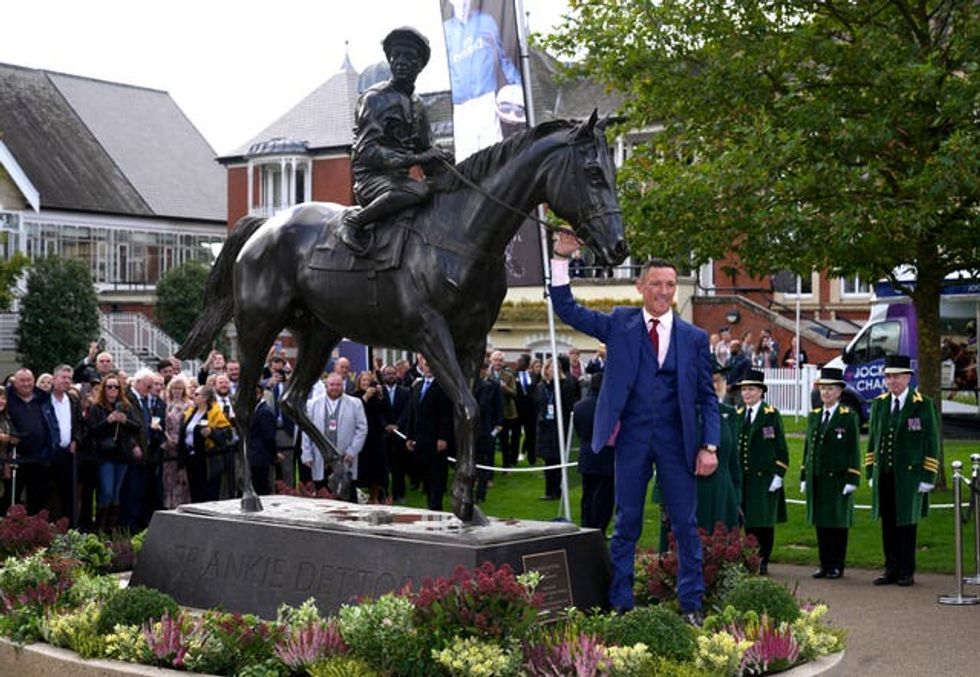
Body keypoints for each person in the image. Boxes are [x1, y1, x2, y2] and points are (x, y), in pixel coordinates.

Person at [550, 231, 720, 624]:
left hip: (678, 442)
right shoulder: (619, 323)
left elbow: (707, 399)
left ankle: (691, 605)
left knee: (685, 525)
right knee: (626, 521)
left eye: (670, 285)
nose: (664, 292)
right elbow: (568, 308)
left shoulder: (693, 338)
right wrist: (561, 258)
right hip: (631, 440)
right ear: (641, 286)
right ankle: (621, 603)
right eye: (656, 284)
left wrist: (709, 446)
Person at [342, 27, 452, 249]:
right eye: (396, 55)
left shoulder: (418, 105)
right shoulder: (374, 99)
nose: (401, 61)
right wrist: (417, 158)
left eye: (409, 57)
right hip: (372, 182)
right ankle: (354, 223)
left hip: (400, 182)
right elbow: (366, 152)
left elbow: (426, 149)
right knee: (418, 190)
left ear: (419, 66)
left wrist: (445, 162)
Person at [866, 355, 939, 587]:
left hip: (909, 475)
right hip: (885, 474)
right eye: (888, 377)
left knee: (906, 524)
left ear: (908, 377)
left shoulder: (922, 403)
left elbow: (931, 441)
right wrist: (870, 471)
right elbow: (872, 441)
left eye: (896, 376)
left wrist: (928, 475)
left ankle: (907, 570)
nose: (892, 381)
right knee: (888, 523)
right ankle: (891, 569)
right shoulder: (879, 403)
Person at [442, 0, 524, 161]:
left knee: (493, 161)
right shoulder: (446, 31)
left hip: (486, 102)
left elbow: (503, 58)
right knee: (466, 163)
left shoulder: (486, 22)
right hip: (461, 107)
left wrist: (518, 85)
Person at [801, 367, 860, 580]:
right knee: (821, 522)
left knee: (837, 522)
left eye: (830, 389)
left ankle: (837, 565)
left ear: (839, 392)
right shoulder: (815, 416)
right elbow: (809, 447)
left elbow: (853, 448)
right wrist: (804, 475)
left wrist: (852, 477)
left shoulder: (848, 416)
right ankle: (824, 563)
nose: (825, 393)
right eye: (823, 389)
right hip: (817, 476)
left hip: (838, 478)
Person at [735, 369, 788, 575]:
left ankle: (763, 559)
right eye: (744, 390)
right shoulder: (738, 415)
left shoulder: (770, 415)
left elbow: (780, 447)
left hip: (764, 477)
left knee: (764, 521)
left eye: (751, 389)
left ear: (761, 392)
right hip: (745, 478)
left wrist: (778, 473)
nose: (747, 394)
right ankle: (750, 559)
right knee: (748, 521)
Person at [86, 374, 141, 530]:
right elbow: (91, 430)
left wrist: (125, 421)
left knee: (116, 492)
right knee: (107, 490)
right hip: (105, 454)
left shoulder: (126, 406)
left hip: (122, 454)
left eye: (116, 387)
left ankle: (111, 528)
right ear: (104, 389)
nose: (112, 390)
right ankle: (100, 527)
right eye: (109, 386)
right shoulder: (97, 408)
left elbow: (137, 427)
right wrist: (107, 421)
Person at [302, 373, 368, 498]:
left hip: (345, 456)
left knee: (347, 494)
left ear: (342, 386)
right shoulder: (313, 404)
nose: (335, 388)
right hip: (321, 456)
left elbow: (362, 429)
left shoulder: (355, 403)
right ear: (326, 385)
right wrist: (306, 453)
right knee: (322, 495)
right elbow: (307, 430)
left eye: (338, 385)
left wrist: (352, 451)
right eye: (332, 385)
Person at [404, 356, 454, 511]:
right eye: (426, 365)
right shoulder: (417, 387)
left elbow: (447, 415)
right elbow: (412, 413)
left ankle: (436, 505)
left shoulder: (443, 387)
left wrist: (443, 437)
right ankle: (430, 503)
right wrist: (410, 436)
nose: (429, 368)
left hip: (436, 439)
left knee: (437, 474)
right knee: (425, 474)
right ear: (421, 366)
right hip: (420, 439)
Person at [5, 368, 58, 515]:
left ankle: (35, 531)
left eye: (29, 380)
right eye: (22, 380)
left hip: (39, 457)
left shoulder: (43, 398)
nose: (26, 384)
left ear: (34, 381)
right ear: (15, 382)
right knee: (12, 498)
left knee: (38, 498)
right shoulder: (7, 398)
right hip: (15, 458)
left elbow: (52, 424)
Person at [574, 372, 614, 535]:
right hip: (606, 455)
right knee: (604, 496)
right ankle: (599, 528)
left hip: (587, 454)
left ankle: (586, 525)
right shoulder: (611, 406)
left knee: (588, 494)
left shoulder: (579, 406)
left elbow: (578, 430)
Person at [178, 385, 232, 503]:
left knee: (208, 491)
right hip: (191, 456)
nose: (193, 396)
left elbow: (227, 434)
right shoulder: (190, 412)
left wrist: (211, 432)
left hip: (207, 459)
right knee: (194, 489)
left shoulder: (215, 412)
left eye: (197, 394)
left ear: (205, 398)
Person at [48, 365, 84, 526]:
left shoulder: (73, 400)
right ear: (54, 378)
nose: (67, 381)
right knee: (48, 494)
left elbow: (79, 424)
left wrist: (76, 439)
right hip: (48, 453)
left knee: (69, 493)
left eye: (70, 378)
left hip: (68, 453)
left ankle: (69, 529)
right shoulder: (44, 399)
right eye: (63, 377)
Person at [534, 358, 573, 500]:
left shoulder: (565, 385)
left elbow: (569, 406)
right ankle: (549, 491)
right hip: (546, 427)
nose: (554, 370)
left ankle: (558, 490)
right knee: (548, 460)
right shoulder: (541, 386)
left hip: (560, 426)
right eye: (551, 368)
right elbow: (537, 405)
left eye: (557, 368)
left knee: (558, 459)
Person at [353, 371, 389, 502]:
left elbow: (386, 411)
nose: (366, 383)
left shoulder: (376, 397)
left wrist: (381, 396)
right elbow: (355, 412)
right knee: (363, 468)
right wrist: (365, 398)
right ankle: (361, 494)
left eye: (368, 381)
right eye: (363, 380)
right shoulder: (355, 397)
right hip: (362, 438)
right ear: (359, 382)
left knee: (377, 468)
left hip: (376, 437)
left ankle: (377, 495)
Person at [379, 365, 412, 502]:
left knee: (399, 466)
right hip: (383, 433)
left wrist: (397, 425)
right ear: (383, 376)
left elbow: (407, 410)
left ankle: (399, 494)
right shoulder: (378, 392)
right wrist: (385, 425)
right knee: (383, 465)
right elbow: (377, 411)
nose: (390, 376)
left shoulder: (405, 392)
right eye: (387, 374)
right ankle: (383, 493)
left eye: (392, 373)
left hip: (399, 433)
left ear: (397, 375)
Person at [473, 361, 503, 503]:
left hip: (487, 426)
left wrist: (498, 424)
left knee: (485, 458)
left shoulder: (493, 385)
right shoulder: (471, 384)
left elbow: (498, 405)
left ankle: (481, 491)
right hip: (473, 428)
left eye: (484, 369)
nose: (482, 372)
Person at [162, 376, 191, 508]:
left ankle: (183, 503)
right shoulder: (166, 404)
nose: (177, 391)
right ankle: (169, 503)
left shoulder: (189, 405)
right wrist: (167, 438)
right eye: (174, 388)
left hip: (183, 444)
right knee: (168, 477)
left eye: (179, 388)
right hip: (168, 444)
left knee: (182, 477)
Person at [489, 350, 520, 467]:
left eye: (500, 360)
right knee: (489, 440)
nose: (497, 362)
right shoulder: (486, 374)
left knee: (505, 440)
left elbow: (514, 393)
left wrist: (505, 387)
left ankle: (506, 465)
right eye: (495, 360)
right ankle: (489, 467)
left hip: (506, 412)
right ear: (491, 361)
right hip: (490, 412)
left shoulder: (509, 375)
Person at [247, 385, 279, 496]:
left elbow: (269, 436)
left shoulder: (264, 412)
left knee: (263, 487)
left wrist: (274, 455)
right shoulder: (256, 410)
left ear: (260, 394)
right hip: (256, 456)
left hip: (261, 456)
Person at [513, 353, 537, 464]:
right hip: (517, 409)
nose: (517, 362)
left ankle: (532, 458)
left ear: (526, 363)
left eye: (520, 360)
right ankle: (513, 458)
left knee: (531, 434)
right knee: (516, 434)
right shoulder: (513, 375)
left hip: (531, 410)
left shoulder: (533, 375)